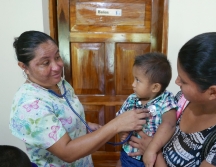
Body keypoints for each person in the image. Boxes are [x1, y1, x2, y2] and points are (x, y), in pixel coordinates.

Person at [9, 30, 150, 167]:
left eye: (57, 57)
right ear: (24, 67)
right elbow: (67, 153)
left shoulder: (58, 83)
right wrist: (115, 125)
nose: (57, 67)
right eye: (45, 63)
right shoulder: (29, 106)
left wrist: (83, 125)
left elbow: (61, 116)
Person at [128, 32, 216, 167]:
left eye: (184, 81)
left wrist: (154, 153)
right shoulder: (183, 100)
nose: (176, 81)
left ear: (212, 92)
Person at [116, 52, 178, 167]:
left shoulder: (166, 99)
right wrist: (122, 132)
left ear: (155, 87)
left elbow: (169, 124)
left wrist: (151, 149)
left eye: (138, 80)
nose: (133, 84)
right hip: (129, 155)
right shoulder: (131, 99)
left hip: (151, 159)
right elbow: (119, 120)